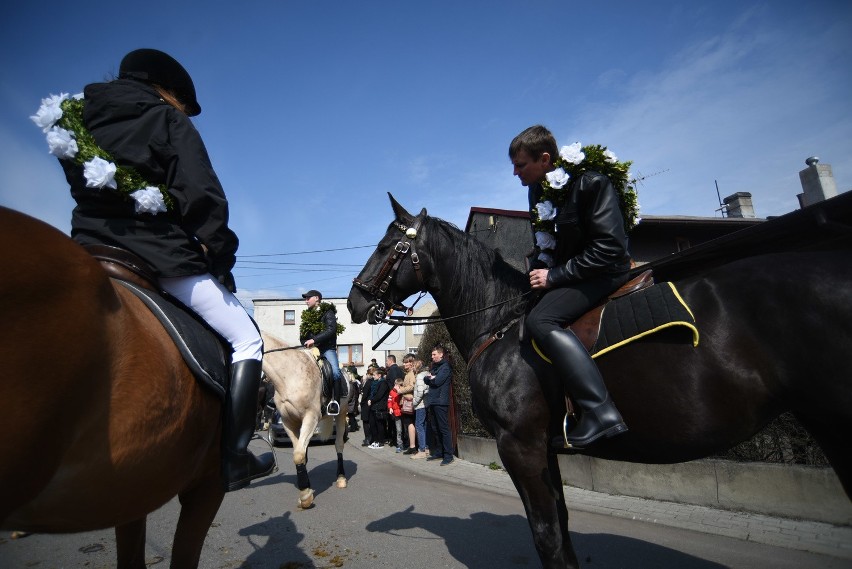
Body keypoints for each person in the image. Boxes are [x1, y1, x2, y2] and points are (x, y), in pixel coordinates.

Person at [45, 48, 273, 491]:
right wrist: (220, 257)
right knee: (247, 338)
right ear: (168, 91)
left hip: (88, 250)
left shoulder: (74, 114)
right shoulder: (168, 120)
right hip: (156, 256)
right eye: (184, 105)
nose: (185, 112)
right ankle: (234, 457)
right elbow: (202, 198)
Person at [509, 125, 632, 449]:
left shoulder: (591, 182)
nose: (514, 172)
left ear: (545, 158)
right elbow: (544, 244)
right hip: (572, 274)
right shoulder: (537, 190)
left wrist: (554, 277)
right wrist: (539, 269)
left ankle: (600, 411)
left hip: (605, 272)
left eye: (520, 165)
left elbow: (610, 249)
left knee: (541, 321)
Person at [300, 289, 345, 415]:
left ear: (316, 298)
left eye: (308, 298)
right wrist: (304, 341)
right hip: (311, 350)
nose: (306, 301)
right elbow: (303, 335)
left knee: (335, 372)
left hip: (326, 349)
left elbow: (331, 330)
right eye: (305, 299)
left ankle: (335, 402)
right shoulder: (307, 315)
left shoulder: (327, 312)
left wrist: (314, 340)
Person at [424, 345, 454, 465]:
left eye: (434, 354)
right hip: (433, 400)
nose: (432, 357)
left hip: (441, 401)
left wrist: (431, 379)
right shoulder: (435, 367)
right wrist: (430, 378)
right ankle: (440, 451)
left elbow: (437, 381)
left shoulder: (445, 367)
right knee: (435, 428)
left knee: (443, 428)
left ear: (441, 354)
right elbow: (427, 379)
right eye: (432, 355)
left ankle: (448, 455)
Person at [410, 359, 430, 459]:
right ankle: (426, 447)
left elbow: (420, 391)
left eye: (413, 366)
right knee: (424, 426)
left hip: (420, 405)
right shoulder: (427, 373)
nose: (412, 368)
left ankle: (421, 450)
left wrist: (414, 402)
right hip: (426, 404)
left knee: (419, 426)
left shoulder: (419, 376)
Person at [398, 354, 418, 454]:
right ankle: (412, 445)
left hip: (409, 401)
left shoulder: (411, 374)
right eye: (404, 362)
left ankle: (413, 446)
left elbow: (411, 386)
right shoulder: (409, 373)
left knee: (410, 423)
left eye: (406, 362)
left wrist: (400, 390)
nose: (404, 364)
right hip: (407, 401)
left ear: (411, 363)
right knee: (409, 423)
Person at [367, 367, 390, 448]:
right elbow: (372, 393)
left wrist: (371, 400)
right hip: (374, 406)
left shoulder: (383, 383)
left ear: (379, 375)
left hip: (380, 406)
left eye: (374, 375)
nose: (373, 377)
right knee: (373, 424)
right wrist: (370, 399)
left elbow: (379, 395)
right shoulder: (376, 383)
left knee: (379, 425)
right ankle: (376, 440)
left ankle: (380, 441)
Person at [388, 377, 404, 452]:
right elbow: (389, 401)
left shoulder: (402, 392)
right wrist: (390, 408)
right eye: (395, 384)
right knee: (399, 429)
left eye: (397, 385)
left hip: (403, 412)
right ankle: (399, 444)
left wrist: (399, 391)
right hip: (396, 413)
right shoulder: (392, 392)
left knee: (405, 429)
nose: (395, 386)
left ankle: (406, 443)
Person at [360, 368, 375, 446]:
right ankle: (372, 438)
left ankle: (367, 439)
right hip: (372, 403)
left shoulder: (368, 382)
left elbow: (365, 394)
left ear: (369, 374)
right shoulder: (375, 382)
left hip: (366, 404)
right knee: (371, 421)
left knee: (365, 422)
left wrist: (362, 402)